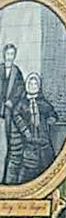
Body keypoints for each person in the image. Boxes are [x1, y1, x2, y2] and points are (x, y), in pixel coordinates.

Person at [0, 43, 25, 183]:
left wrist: (11, 101)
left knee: (7, 146)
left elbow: (20, 90)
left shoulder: (17, 72)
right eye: (7, 54)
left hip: (8, 113)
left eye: (12, 54)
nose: (9, 56)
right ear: (4, 54)